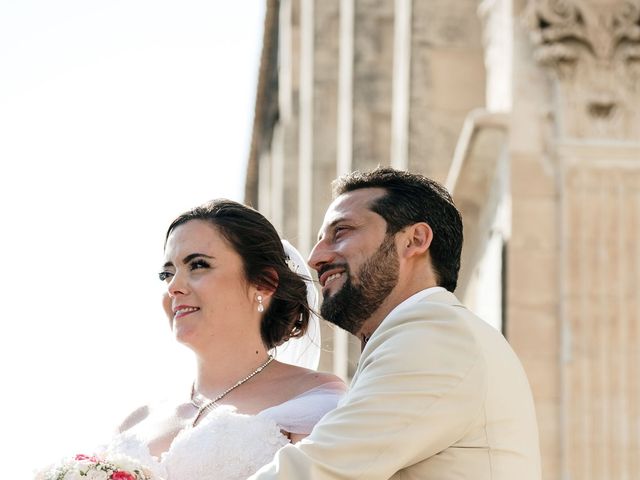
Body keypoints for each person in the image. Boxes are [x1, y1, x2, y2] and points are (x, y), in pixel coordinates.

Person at [250, 167, 542, 479]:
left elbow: (316, 471)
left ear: (414, 240)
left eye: (341, 232)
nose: (314, 257)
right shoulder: (428, 333)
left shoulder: (434, 337)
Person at [105, 199, 346, 480]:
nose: (173, 287)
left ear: (264, 284)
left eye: (198, 265)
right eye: (166, 274)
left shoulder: (316, 399)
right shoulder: (136, 421)